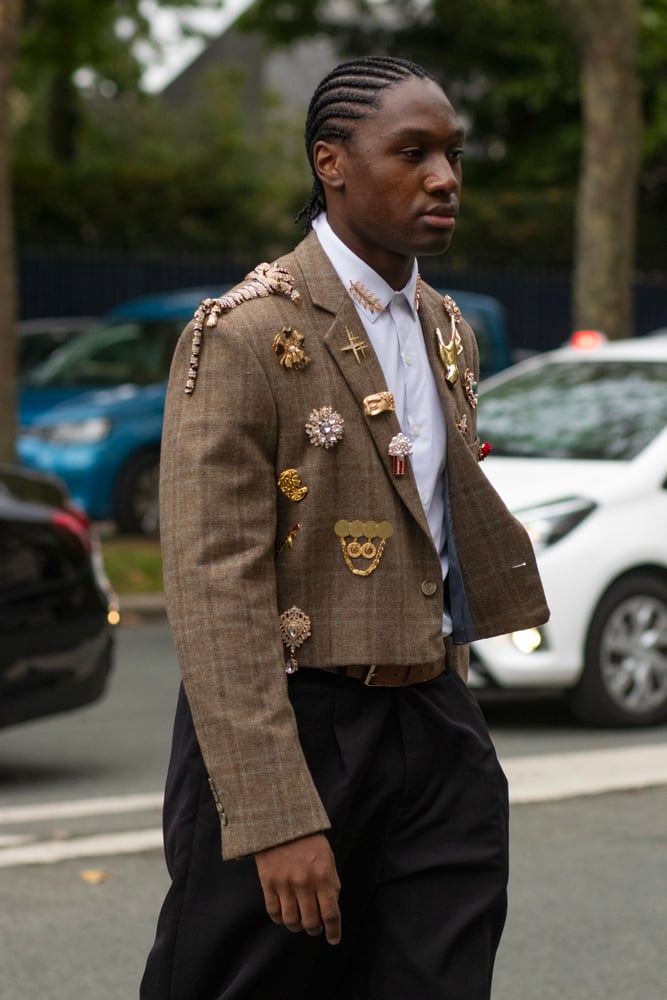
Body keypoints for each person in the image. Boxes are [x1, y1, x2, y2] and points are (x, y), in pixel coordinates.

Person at [141, 55, 548, 1000]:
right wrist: (277, 813)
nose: (443, 178)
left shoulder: (449, 325)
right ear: (331, 162)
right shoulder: (240, 333)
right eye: (411, 153)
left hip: (435, 724)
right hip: (294, 726)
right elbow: (214, 591)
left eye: (451, 154)